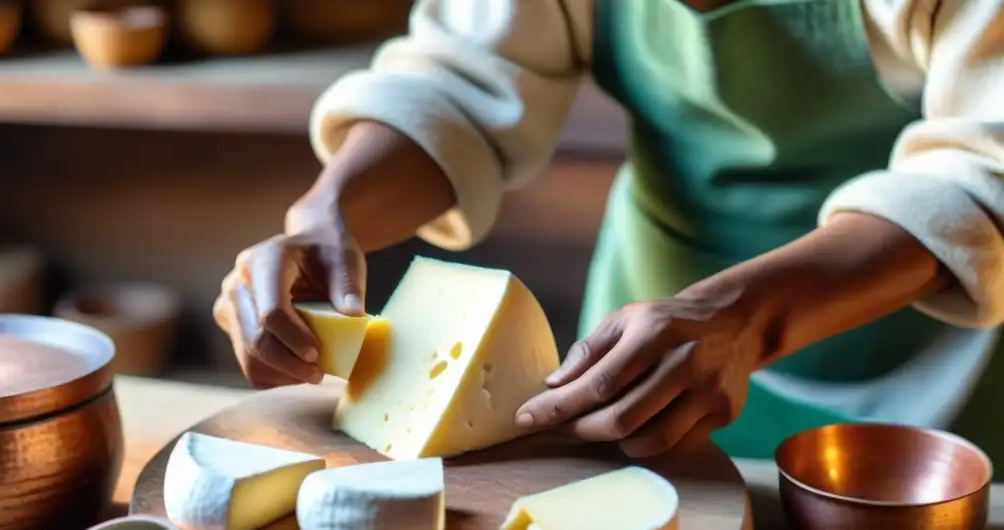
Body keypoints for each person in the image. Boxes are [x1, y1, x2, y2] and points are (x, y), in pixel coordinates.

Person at [213, 0, 1004, 466]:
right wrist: (333, 211)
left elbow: (984, 165)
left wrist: (746, 316)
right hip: (652, 312)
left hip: (917, 324)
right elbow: (458, 81)